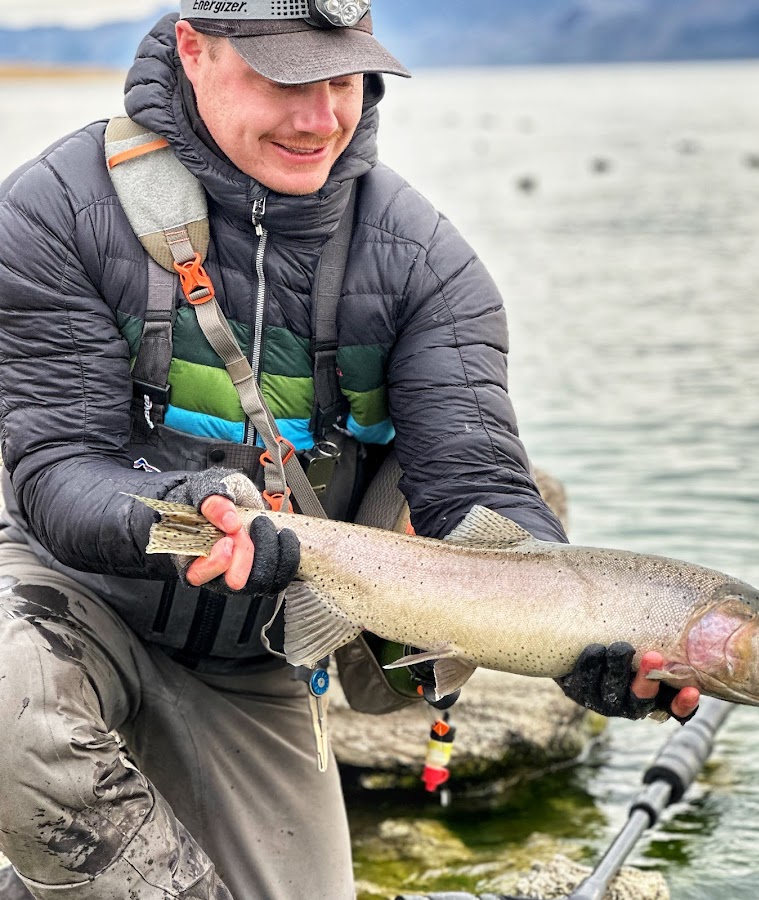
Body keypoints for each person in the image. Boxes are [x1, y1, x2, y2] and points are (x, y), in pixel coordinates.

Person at [0, 2, 699, 898]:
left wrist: (578, 642)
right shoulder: (57, 209)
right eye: (285, 80)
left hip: (261, 659)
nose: (320, 117)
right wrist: (191, 511)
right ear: (193, 48)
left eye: (342, 80)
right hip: (75, 598)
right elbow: (58, 468)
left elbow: (477, 491)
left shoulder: (425, 263)